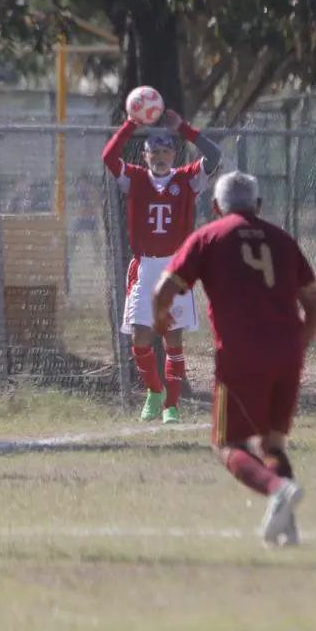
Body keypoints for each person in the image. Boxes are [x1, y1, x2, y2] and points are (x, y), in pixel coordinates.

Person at [151, 172, 316, 546]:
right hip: (287, 351)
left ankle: (277, 489)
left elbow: (164, 289)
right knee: (273, 444)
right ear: (258, 206)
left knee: (227, 445)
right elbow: (314, 303)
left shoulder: (209, 236)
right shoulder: (283, 239)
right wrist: (300, 344)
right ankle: (287, 529)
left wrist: (161, 319)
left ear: (215, 207)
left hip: (243, 352)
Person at [101, 108, 222, 423]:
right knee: (140, 339)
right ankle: (154, 392)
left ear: (174, 153)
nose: (160, 156)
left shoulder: (187, 179)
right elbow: (108, 157)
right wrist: (131, 124)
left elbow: (215, 154)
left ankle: (171, 405)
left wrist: (186, 129)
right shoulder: (134, 179)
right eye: (154, 151)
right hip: (144, 267)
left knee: (173, 340)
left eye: (166, 151)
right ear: (144, 155)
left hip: (175, 268)